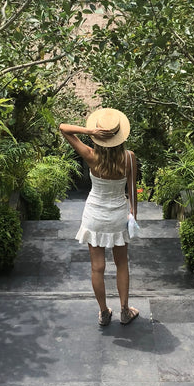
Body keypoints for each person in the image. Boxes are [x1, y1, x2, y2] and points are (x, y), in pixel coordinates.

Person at [58, 107, 139, 327]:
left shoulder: (91, 155)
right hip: (118, 214)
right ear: (120, 136)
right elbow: (132, 191)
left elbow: (63, 128)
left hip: (94, 214)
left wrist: (90, 131)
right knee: (121, 264)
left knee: (97, 267)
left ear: (100, 136)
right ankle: (124, 311)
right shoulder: (129, 158)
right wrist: (133, 216)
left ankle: (104, 312)